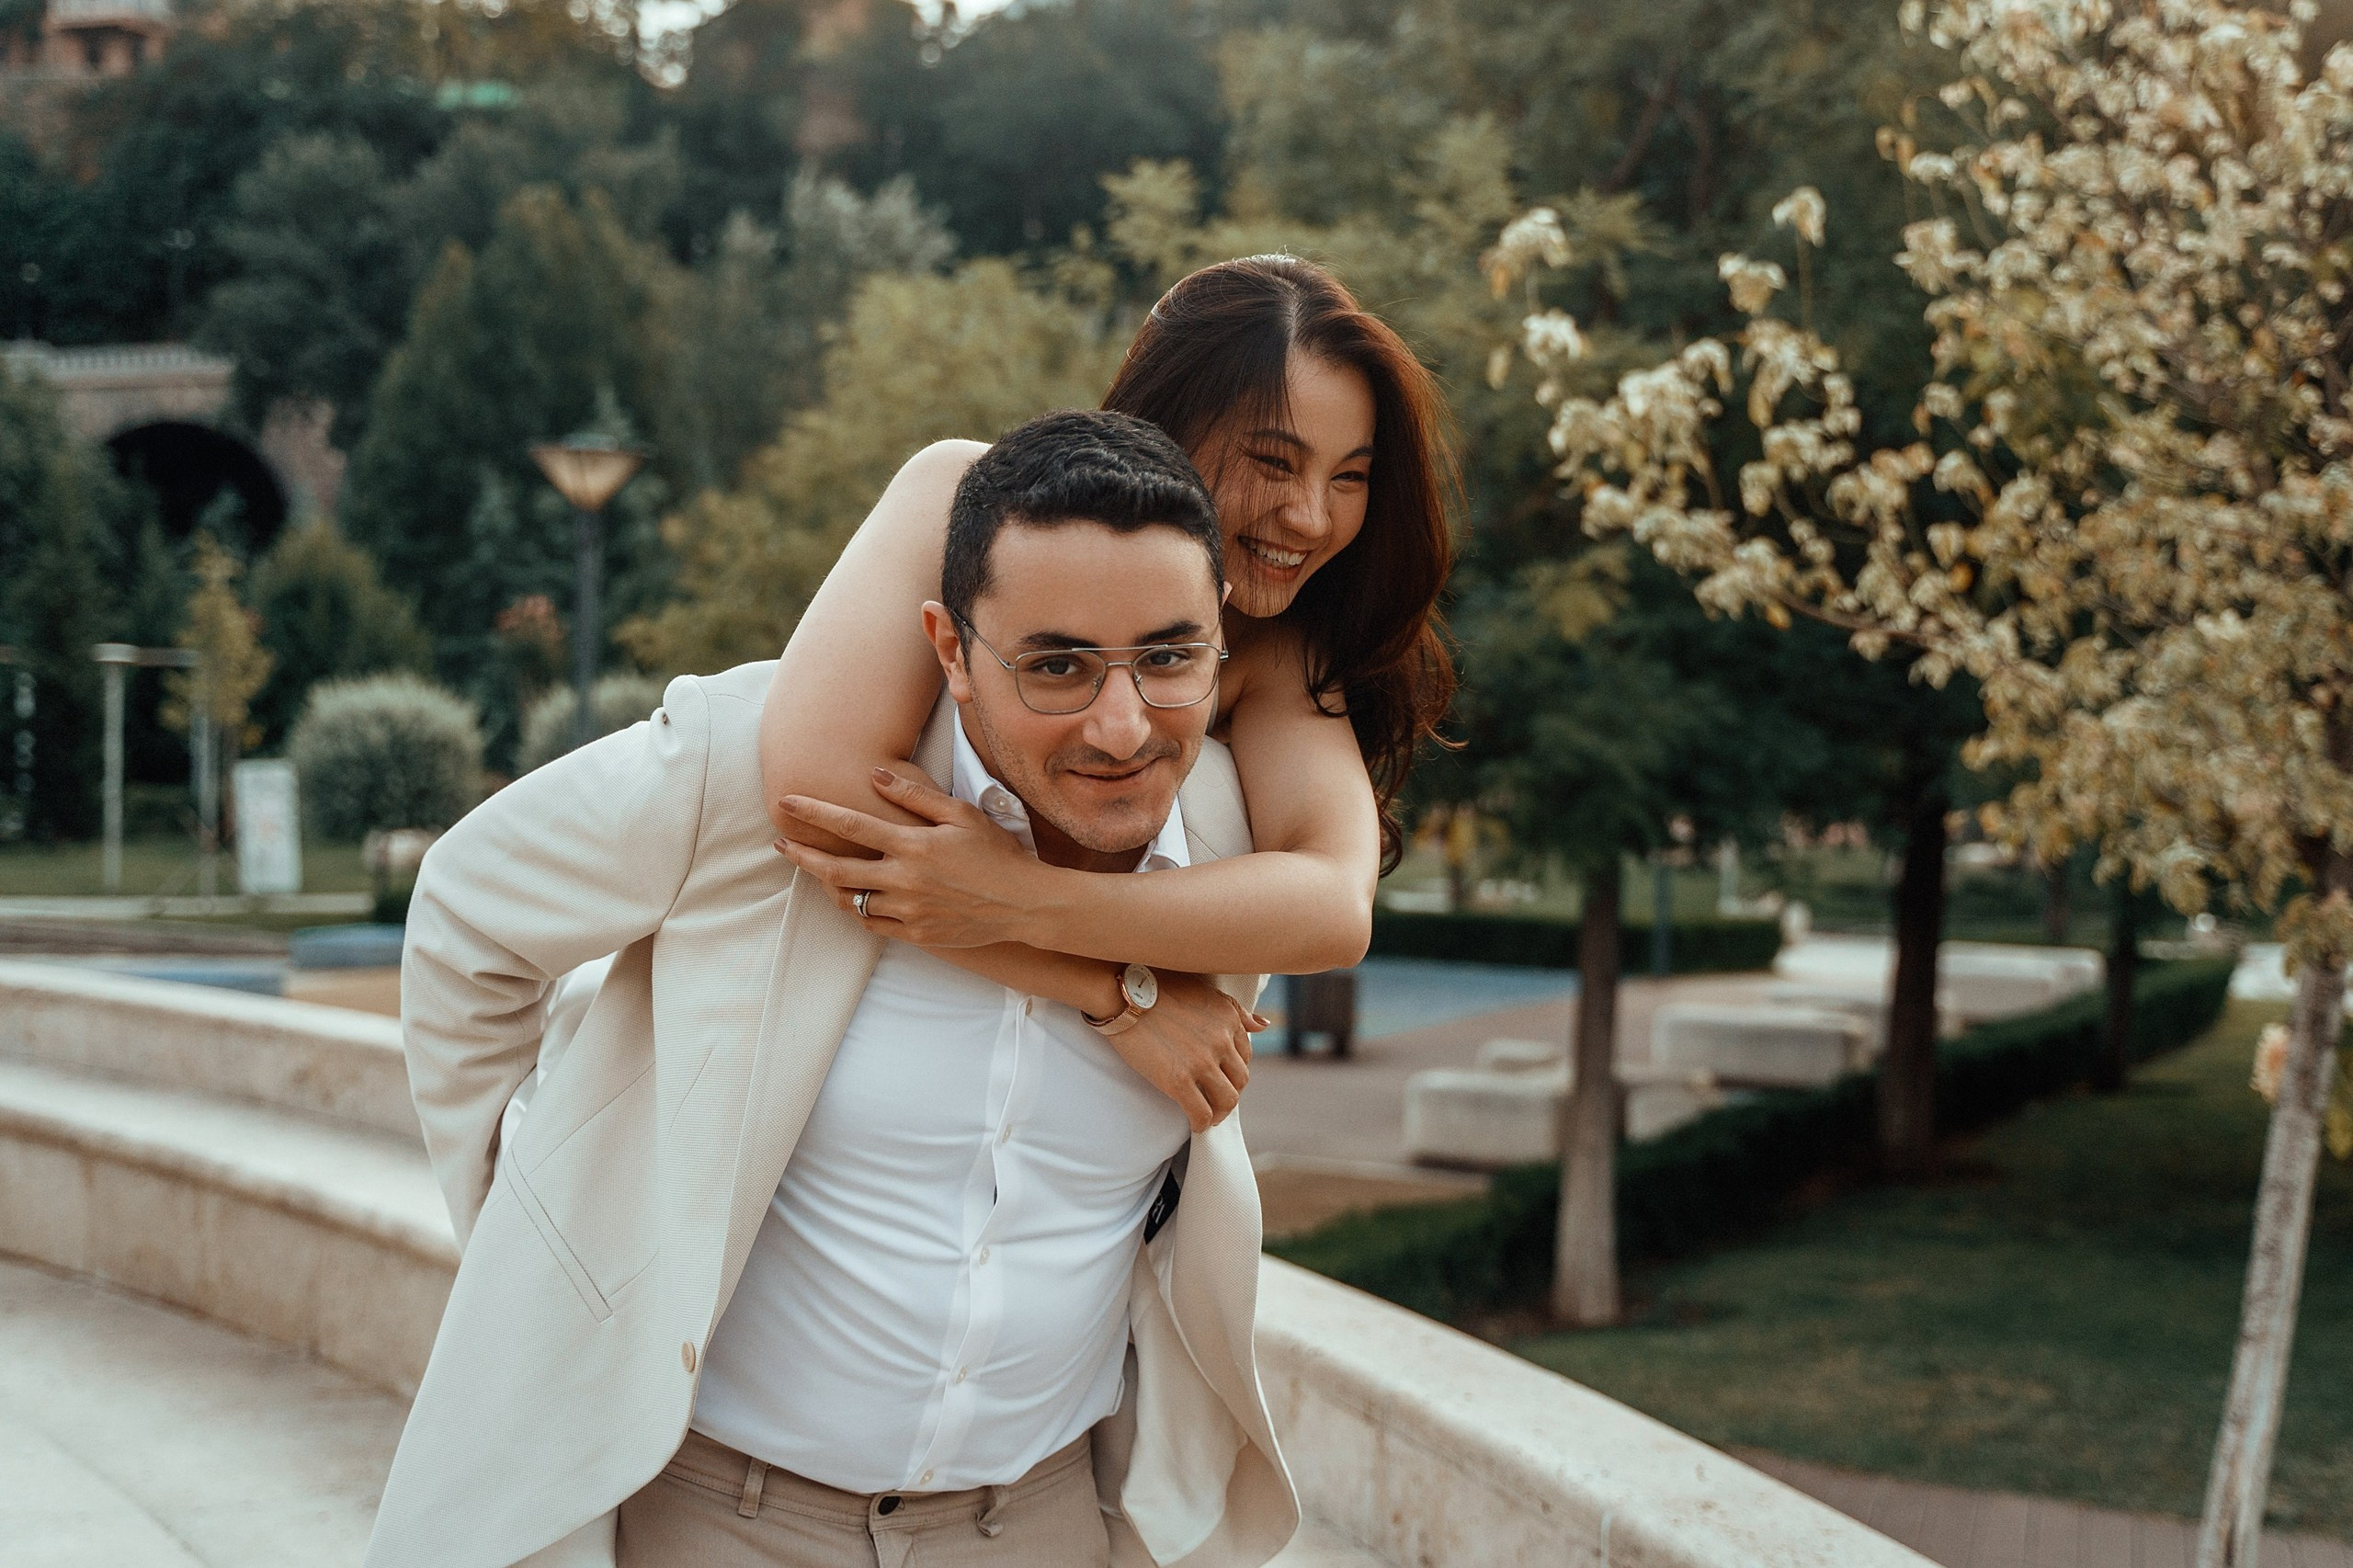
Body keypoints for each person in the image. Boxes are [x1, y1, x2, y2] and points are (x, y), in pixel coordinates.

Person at [368, 412, 1299, 1568]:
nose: (1121, 725)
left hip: (1045, 1525)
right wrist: (546, 1241)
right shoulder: (762, 767)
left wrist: (1126, 987)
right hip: (714, 1519)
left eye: (1168, 657)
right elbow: (467, 910)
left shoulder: (1235, 840)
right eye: (1055, 664)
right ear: (950, 650)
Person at [760, 256, 1456, 1128]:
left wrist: (1021, 898)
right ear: (1169, 424)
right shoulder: (970, 504)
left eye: (1349, 477)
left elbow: (1331, 905)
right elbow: (815, 793)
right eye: (1274, 465)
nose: (1312, 517)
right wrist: (1120, 996)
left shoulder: (1278, 653)